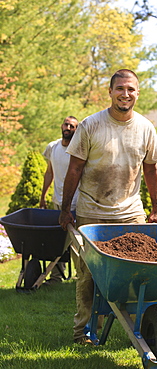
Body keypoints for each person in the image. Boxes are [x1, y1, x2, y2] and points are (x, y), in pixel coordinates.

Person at [59, 69, 157, 344]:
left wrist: (155, 211)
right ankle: (84, 332)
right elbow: (74, 169)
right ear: (110, 92)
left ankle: (141, 330)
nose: (125, 94)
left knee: (141, 274)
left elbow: (151, 171)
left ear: (137, 93)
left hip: (130, 212)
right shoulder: (91, 125)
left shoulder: (145, 128)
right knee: (88, 276)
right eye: (120, 89)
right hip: (92, 213)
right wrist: (66, 208)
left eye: (130, 89)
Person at [40, 116, 79, 285]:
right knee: (57, 240)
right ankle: (56, 277)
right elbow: (49, 172)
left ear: (76, 130)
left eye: (72, 126)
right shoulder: (53, 147)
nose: (68, 127)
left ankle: (83, 277)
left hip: (77, 202)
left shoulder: (79, 148)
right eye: (66, 124)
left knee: (77, 241)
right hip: (57, 201)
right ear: (61, 125)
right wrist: (43, 196)